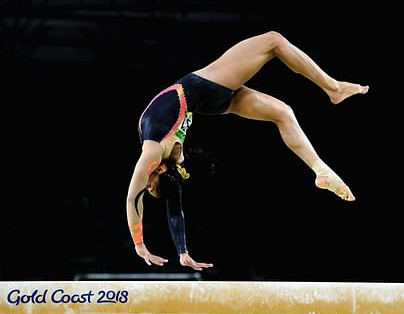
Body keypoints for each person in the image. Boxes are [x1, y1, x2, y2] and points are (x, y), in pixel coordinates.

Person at [126, 31, 369, 271]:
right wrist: (144, 246)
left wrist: (174, 250)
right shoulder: (153, 152)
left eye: (148, 186)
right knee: (273, 41)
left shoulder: (162, 154)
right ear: (158, 171)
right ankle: (334, 89)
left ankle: (320, 170)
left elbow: (170, 206)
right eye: (151, 185)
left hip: (212, 100)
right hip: (205, 86)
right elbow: (134, 198)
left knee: (283, 113)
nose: (146, 184)